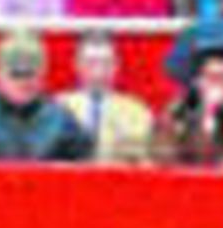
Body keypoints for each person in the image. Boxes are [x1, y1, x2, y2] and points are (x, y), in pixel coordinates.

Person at [0, 29, 95, 162]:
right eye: (16, 74)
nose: (23, 82)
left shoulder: (62, 123)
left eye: (30, 74)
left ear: (42, 75)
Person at [60, 31, 156, 164]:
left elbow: (144, 166)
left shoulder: (137, 112)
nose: (98, 72)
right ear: (77, 65)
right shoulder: (58, 108)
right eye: (91, 63)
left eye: (106, 63)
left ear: (117, 65)